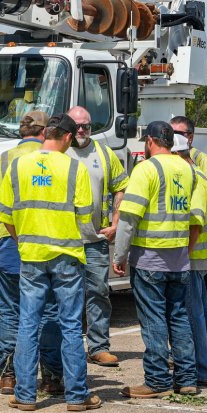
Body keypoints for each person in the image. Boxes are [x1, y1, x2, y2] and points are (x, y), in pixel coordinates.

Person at [0, 113, 101, 412]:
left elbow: (3, 215)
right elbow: (83, 216)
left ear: (46, 134)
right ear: (66, 137)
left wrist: (23, 241)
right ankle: (77, 396)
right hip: (67, 256)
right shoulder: (73, 168)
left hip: (31, 256)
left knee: (28, 324)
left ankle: (25, 395)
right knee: (69, 325)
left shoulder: (17, 166)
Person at [113, 121, 198, 398]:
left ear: (149, 141)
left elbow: (128, 218)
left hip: (150, 258)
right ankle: (187, 379)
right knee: (179, 317)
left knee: (153, 321)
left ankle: (157, 380)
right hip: (180, 258)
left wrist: (120, 255)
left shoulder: (146, 169)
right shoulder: (187, 169)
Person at [0, 110, 50, 393]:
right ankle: (48, 375)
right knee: (43, 313)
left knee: (10, 313)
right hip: (43, 245)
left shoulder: (2, 160)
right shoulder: (53, 161)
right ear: (43, 132)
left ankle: (8, 375)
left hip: (7, 245)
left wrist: (4, 223)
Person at [66, 105, 129, 367]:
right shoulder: (59, 151)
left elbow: (121, 186)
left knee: (99, 293)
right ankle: (66, 348)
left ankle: (98, 346)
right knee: (65, 297)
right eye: (77, 125)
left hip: (94, 240)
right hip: (65, 240)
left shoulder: (103, 153)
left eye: (87, 126)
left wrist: (115, 222)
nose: (81, 130)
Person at [173, 133, 207, 387]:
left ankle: (202, 369)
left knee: (194, 314)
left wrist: (184, 255)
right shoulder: (192, 176)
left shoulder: (197, 177)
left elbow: (195, 223)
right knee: (200, 312)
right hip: (196, 254)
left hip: (194, 254)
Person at [170, 116, 207, 206]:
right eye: (170, 133)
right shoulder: (164, 156)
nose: (174, 137)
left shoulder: (202, 159)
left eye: (178, 134)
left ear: (190, 137)